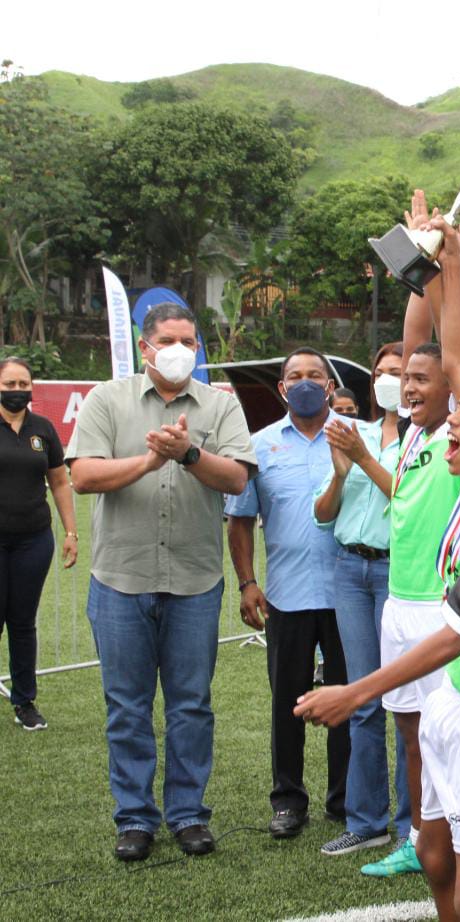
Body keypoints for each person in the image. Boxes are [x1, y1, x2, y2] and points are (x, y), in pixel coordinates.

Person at [295, 370, 460, 922]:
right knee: (435, 854)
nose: (454, 419)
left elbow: (459, 634)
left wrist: (354, 693)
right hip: (453, 699)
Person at [66, 302, 254, 861]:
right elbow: (83, 475)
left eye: (190, 341)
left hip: (195, 581)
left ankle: (188, 814)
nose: (180, 349)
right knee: (126, 706)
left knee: (191, 705)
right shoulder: (108, 399)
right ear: (145, 346)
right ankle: (135, 819)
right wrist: (148, 464)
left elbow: (238, 476)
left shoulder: (220, 405)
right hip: (121, 578)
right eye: (169, 339)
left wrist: (189, 454)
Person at [226, 347, 349, 840]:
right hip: (286, 595)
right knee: (287, 703)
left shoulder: (355, 438)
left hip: (350, 596)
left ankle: (345, 799)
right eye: (294, 375)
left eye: (314, 375)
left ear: (329, 385)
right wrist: (247, 582)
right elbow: (239, 522)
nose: (304, 382)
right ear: (281, 389)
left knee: (350, 700)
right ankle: (287, 800)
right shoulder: (258, 445)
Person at [313, 341, 414, 861]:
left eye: (400, 372)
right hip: (350, 569)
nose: (390, 380)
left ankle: (409, 827)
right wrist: (340, 470)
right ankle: (367, 820)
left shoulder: (424, 440)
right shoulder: (357, 432)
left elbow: (411, 501)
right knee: (361, 700)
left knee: (403, 704)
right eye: (383, 372)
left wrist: (363, 459)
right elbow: (323, 514)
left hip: (398, 571)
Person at [0, 356, 77, 731]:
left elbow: (60, 482)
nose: (17, 391)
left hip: (34, 540)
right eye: (9, 384)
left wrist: (71, 533)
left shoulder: (43, 429)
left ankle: (24, 702)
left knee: (23, 622)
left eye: (22, 384)